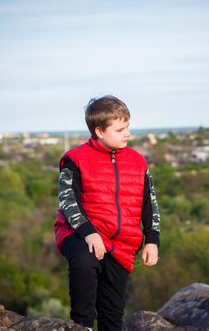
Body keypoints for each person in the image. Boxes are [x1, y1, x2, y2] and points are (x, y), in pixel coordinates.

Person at [54, 95, 160, 331]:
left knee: (112, 309)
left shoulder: (138, 161)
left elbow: (149, 203)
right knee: (84, 263)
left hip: (122, 242)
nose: (127, 133)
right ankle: (82, 326)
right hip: (80, 233)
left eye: (128, 126)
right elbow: (67, 200)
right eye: (120, 129)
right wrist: (88, 232)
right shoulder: (75, 159)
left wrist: (152, 240)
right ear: (99, 131)